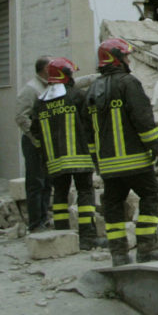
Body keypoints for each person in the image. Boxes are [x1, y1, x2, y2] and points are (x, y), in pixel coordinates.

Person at [83, 38, 158, 266]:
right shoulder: (129, 83)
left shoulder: (92, 89)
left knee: (113, 206)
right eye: (126, 56)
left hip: (108, 165)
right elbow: (142, 119)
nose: (128, 60)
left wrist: (97, 160)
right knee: (152, 195)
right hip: (134, 161)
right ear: (117, 59)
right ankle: (146, 248)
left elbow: (87, 130)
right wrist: (155, 147)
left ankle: (119, 255)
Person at [30, 58, 100, 250]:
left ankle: (62, 232)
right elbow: (89, 123)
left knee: (60, 194)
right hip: (80, 156)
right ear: (65, 75)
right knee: (85, 192)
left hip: (54, 161)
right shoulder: (77, 96)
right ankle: (87, 236)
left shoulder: (40, 102)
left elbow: (35, 131)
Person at [16, 56, 54, 233]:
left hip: (46, 141)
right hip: (34, 143)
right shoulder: (31, 89)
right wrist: (35, 137)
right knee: (35, 182)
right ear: (45, 68)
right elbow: (21, 116)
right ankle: (35, 223)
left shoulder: (49, 85)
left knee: (47, 181)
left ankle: (44, 218)